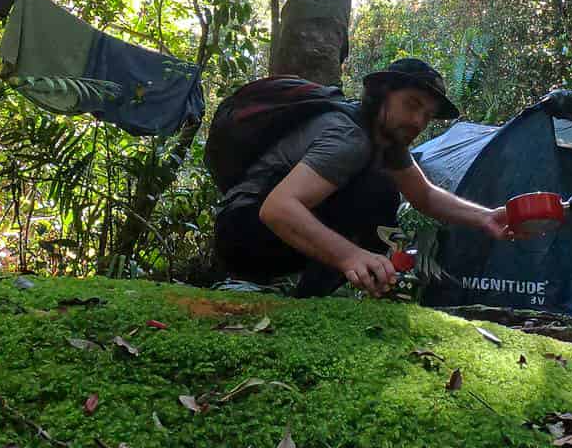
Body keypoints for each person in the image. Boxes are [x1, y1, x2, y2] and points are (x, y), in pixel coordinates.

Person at [213, 58, 514, 297]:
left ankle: (303, 290)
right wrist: (350, 257)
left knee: (380, 190)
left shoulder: (385, 142)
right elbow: (277, 208)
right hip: (245, 228)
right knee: (377, 191)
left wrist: (486, 217)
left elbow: (426, 196)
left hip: (260, 227)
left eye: (427, 114)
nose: (419, 121)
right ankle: (267, 283)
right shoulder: (349, 137)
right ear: (381, 94)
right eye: (412, 104)